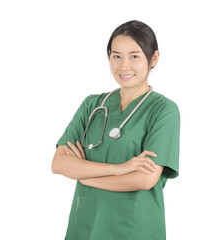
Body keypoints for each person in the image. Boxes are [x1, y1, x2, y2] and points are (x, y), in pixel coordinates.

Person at [51, 20, 180, 240]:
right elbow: (59, 163)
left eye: (135, 56)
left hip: (135, 228)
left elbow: (145, 180)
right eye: (116, 56)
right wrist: (119, 169)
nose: (123, 66)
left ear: (154, 58)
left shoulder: (164, 110)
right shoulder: (92, 106)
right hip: (85, 226)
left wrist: (86, 176)